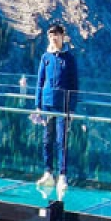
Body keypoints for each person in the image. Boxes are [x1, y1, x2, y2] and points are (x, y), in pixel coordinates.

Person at [33, 23, 80, 192]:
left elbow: (75, 85)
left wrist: (72, 108)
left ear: (62, 36)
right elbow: (39, 82)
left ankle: (62, 175)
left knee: (62, 141)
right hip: (47, 105)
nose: (54, 38)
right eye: (51, 35)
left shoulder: (70, 58)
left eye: (57, 35)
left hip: (63, 106)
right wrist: (38, 106)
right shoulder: (46, 57)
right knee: (47, 140)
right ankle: (48, 172)